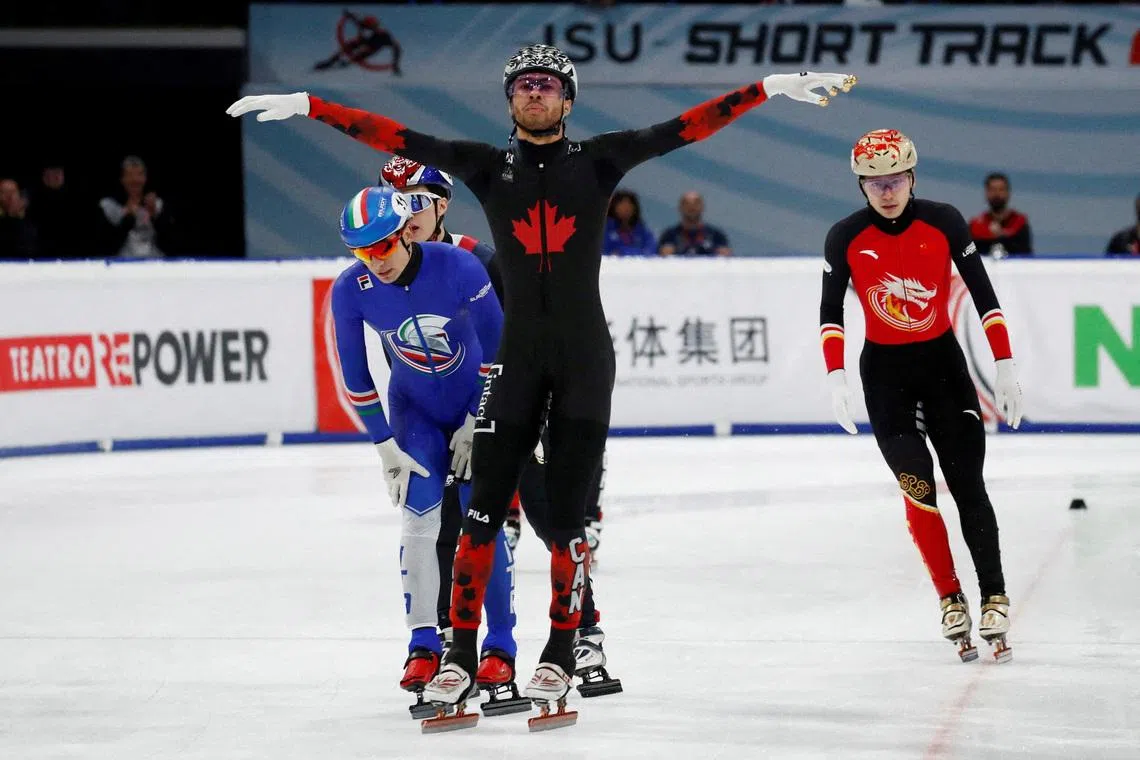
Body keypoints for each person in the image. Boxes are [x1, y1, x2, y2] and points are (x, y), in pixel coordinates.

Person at [229, 45, 856, 722]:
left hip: (586, 361)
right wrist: (310, 106)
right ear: (509, 98)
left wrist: (764, 86)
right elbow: (394, 135)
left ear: (568, 98)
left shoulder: (602, 159)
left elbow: (688, 127)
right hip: (515, 365)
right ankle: (461, 660)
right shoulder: (483, 167)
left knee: (568, 519)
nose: (535, 93)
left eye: (548, 85)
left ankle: (562, 651)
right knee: (479, 513)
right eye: (524, 84)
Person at [378, 156, 620, 699]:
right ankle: (448, 636)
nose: (405, 213)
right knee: (449, 522)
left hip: (509, 406)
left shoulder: (480, 260)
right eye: (394, 200)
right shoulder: (383, 263)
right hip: (438, 417)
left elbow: (523, 340)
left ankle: (584, 627)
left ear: (442, 205)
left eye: (417, 199)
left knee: (549, 516)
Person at [820, 129, 1022, 664]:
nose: (886, 191)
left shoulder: (946, 221)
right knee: (918, 488)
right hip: (884, 378)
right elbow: (830, 312)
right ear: (861, 185)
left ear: (912, 178)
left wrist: (1003, 364)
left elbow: (984, 294)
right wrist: (836, 376)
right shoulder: (844, 235)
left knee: (966, 483)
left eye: (895, 180)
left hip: (944, 371)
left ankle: (994, 594)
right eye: (875, 183)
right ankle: (950, 597)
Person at [328, 185, 525, 718]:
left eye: (382, 247)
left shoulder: (459, 268)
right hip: (412, 415)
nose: (375, 262)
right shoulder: (351, 289)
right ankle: (423, 646)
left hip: (471, 407)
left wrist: (476, 418)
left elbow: (500, 346)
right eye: (361, 252)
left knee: (480, 524)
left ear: (405, 235)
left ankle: (500, 648)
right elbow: (356, 376)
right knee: (418, 522)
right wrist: (383, 446)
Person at [96, 155, 176, 258]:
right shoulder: (109, 206)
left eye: (139, 175)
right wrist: (128, 218)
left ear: (145, 178)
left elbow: (172, 245)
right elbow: (104, 246)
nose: (135, 180)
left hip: (155, 263)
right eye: (129, 175)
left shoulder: (158, 205)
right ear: (122, 179)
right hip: (121, 265)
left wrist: (155, 216)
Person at [968, 172, 1032, 257]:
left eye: (1001, 189)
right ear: (986, 193)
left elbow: (1025, 253)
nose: (997, 194)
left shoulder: (1019, 222)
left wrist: (1002, 236)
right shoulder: (975, 225)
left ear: (1008, 193)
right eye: (992, 189)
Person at [657, 190, 731, 256]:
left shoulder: (716, 236)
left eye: (696, 203)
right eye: (687, 204)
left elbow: (726, 260)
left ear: (702, 207)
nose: (692, 207)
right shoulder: (669, 236)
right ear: (680, 207)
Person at [602, 189, 656, 257]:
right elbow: (604, 251)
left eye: (629, 204)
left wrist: (622, 252)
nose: (626, 208)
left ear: (634, 208)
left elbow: (650, 251)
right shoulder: (604, 230)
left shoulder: (643, 231)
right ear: (613, 206)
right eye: (622, 204)